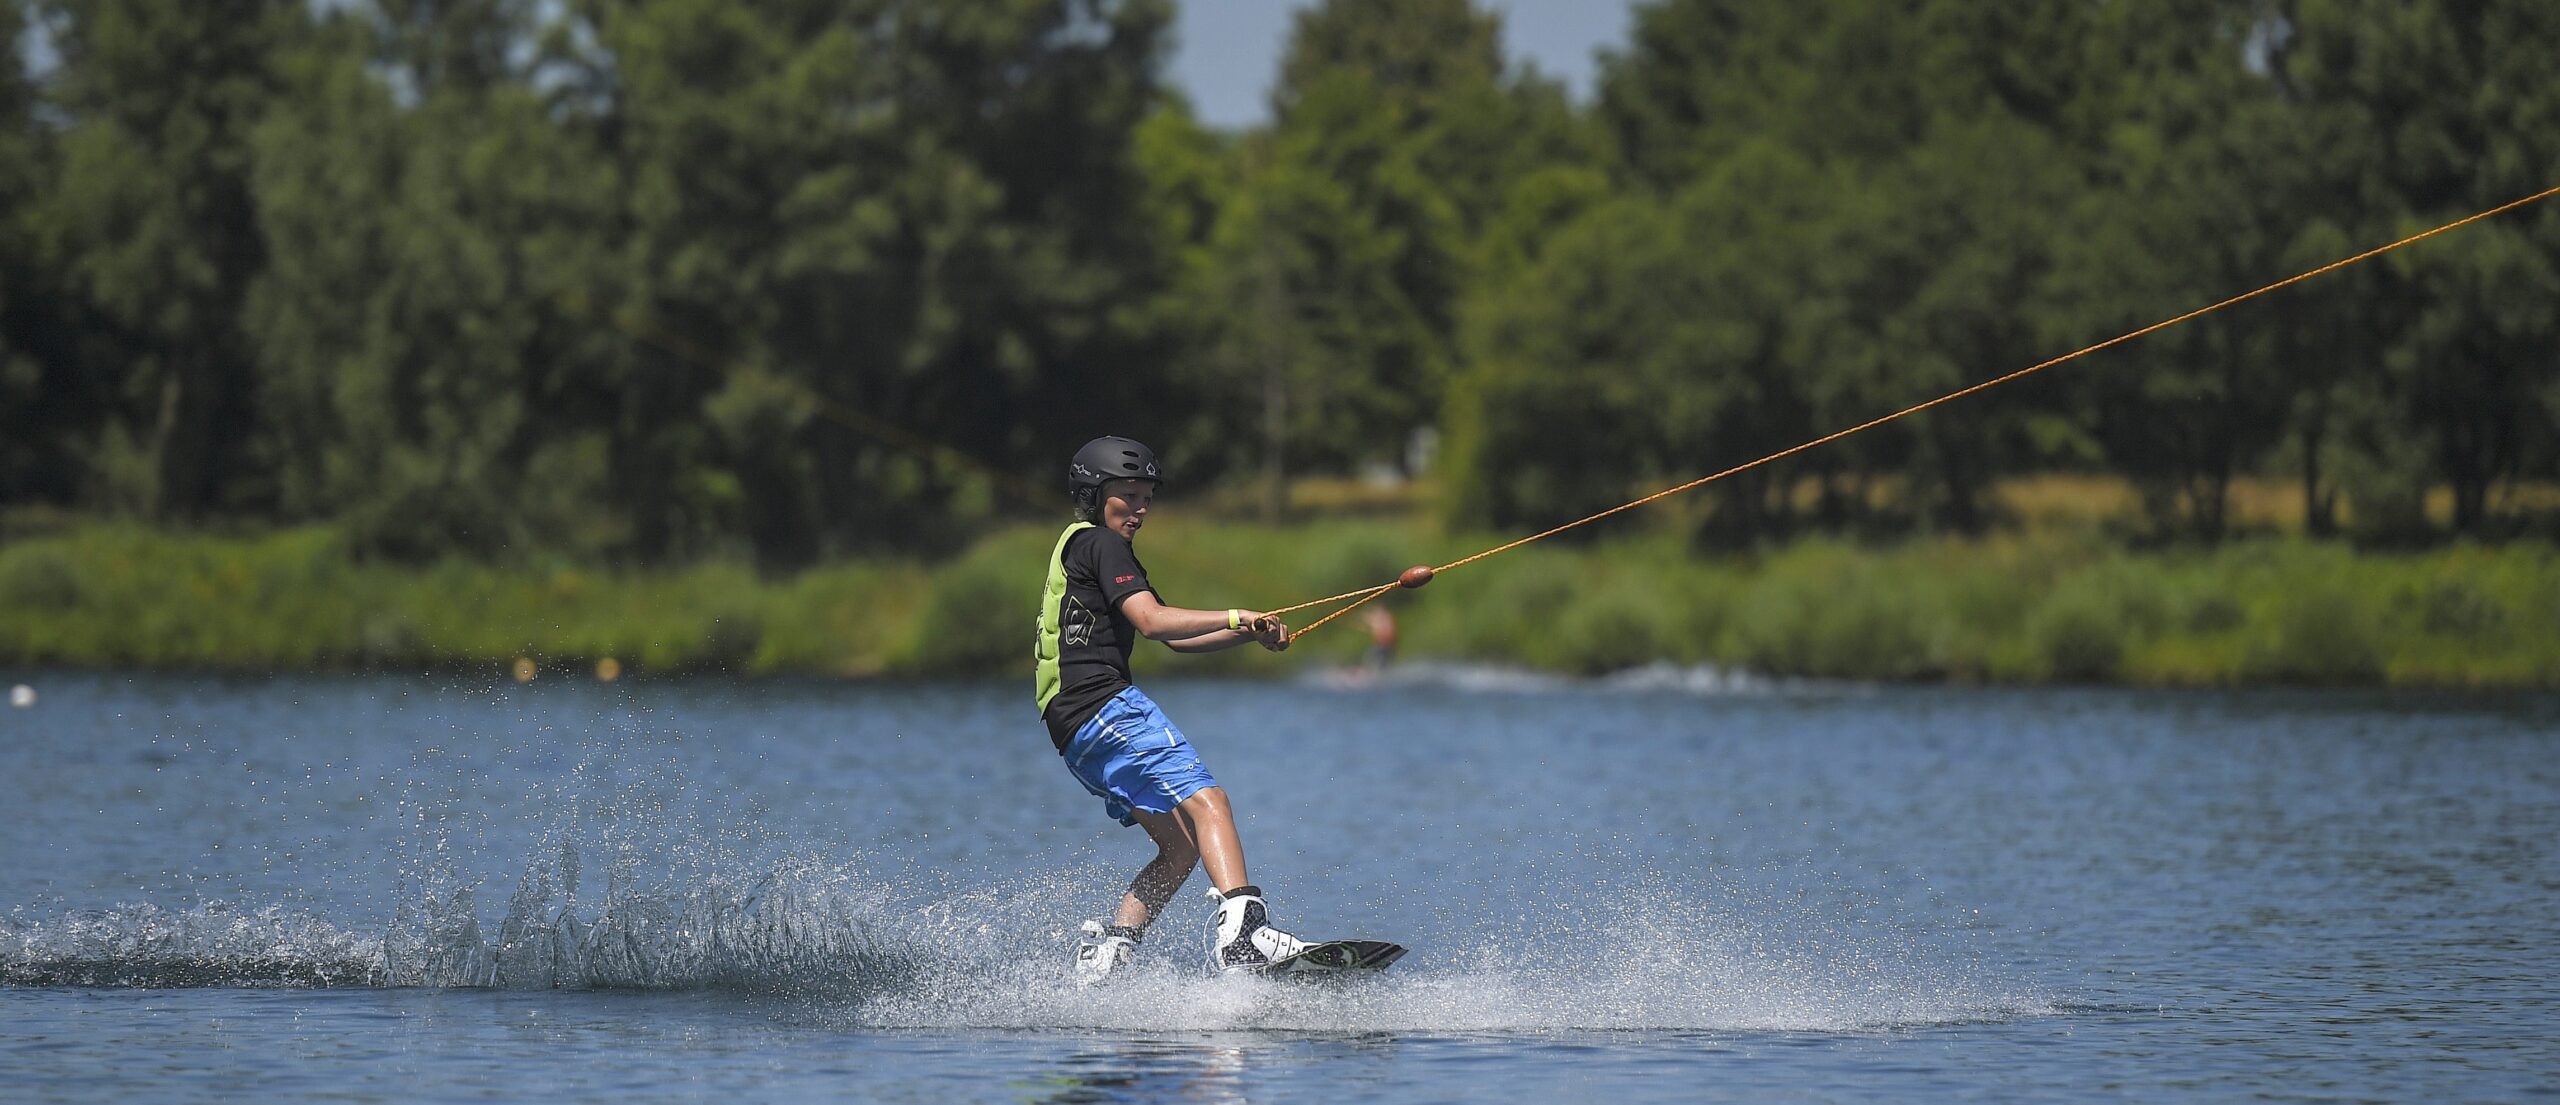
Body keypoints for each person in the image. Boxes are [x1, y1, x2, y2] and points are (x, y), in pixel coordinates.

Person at [1036, 436, 1307, 983]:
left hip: (1072, 731)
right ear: (1094, 494)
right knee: (1210, 801)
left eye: (1146, 499)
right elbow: (1154, 622)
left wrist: (1244, 635)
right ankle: (1247, 936)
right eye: (1127, 496)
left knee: (1181, 847)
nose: (1139, 509)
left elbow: (1174, 640)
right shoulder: (1102, 545)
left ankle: (1108, 959)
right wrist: (1237, 614)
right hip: (1104, 707)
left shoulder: (1082, 547)